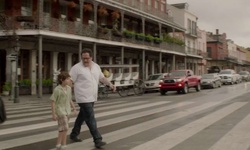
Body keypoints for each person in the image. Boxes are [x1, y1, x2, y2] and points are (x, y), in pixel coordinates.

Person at [69, 48, 116, 149]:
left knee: (82, 116)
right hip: (82, 97)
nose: (85, 60)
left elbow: (102, 78)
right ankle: (97, 139)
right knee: (90, 118)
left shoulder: (96, 66)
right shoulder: (76, 68)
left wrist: (110, 84)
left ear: (91, 57)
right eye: (83, 58)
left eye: (87, 58)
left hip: (92, 96)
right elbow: (70, 81)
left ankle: (74, 134)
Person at [50, 71, 77, 150]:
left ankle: (58, 144)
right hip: (60, 111)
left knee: (62, 128)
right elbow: (53, 101)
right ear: (62, 80)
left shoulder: (69, 88)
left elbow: (70, 99)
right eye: (68, 79)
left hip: (67, 110)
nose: (69, 80)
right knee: (65, 127)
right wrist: (53, 114)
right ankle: (64, 145)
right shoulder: (57, 90)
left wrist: (74, 108)